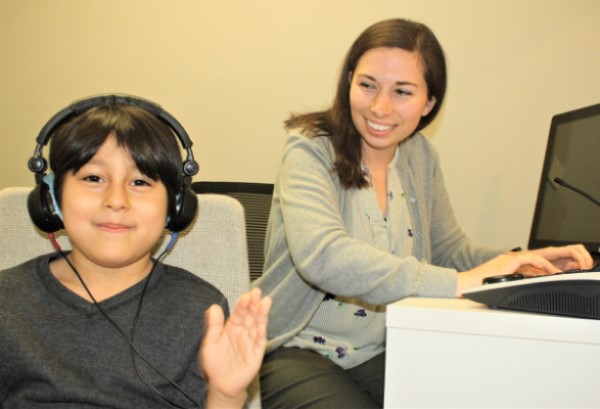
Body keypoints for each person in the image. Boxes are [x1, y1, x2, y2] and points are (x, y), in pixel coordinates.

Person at [254, 18, 593, 408]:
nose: (380, 107)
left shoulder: (420, 157)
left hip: (385, 346)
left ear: (429, 102)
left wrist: (515, 263)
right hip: (295, 348)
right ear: (349, 81)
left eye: (402, 91)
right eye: (367, 85)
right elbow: (324, 256)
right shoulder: (310, 148)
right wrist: (457, 283)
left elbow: (450, 249)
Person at [0, 97, 272, 408]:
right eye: (93, 178)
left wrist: (226, 395)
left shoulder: (200, 310)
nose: (116, 200)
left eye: (140, 181)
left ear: (175, 207)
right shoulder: (7, 300)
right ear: (52, 198)